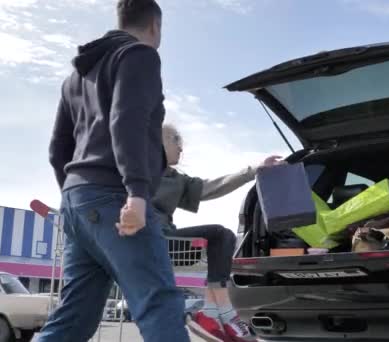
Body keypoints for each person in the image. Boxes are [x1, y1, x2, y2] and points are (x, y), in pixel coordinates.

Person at [39, 1, 191, 341]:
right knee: (160, 303)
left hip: (79, 202)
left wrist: (76, 193)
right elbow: (128, 121)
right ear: (155, 26)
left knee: (74, 317)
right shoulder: (139, 55)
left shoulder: (76, 77)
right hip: (115, 199)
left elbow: (57, 149)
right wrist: (137, 192)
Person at [154, 124, 282, 342]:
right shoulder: (132, 168)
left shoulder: (176, 179)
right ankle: (221, 312)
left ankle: (214, 310)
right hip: (142, 239)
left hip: (168, 240)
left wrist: (254, 170)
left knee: (222, 236)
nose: (181, 148)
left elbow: (212, 187)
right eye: (176, 140)